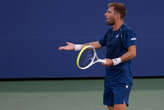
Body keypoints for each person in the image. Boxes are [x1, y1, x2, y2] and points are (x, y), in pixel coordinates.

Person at [58, 2, 136, 110]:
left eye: (109, 12)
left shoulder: (127, 31)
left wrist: (114, 61)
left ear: (117, 15)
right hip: (110, 77)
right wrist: (76, 47)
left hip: (122, 78)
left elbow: (132, 53)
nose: (105, 14)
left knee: (119, 108)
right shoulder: (110, 32)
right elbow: (97, 44)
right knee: (111, 107)